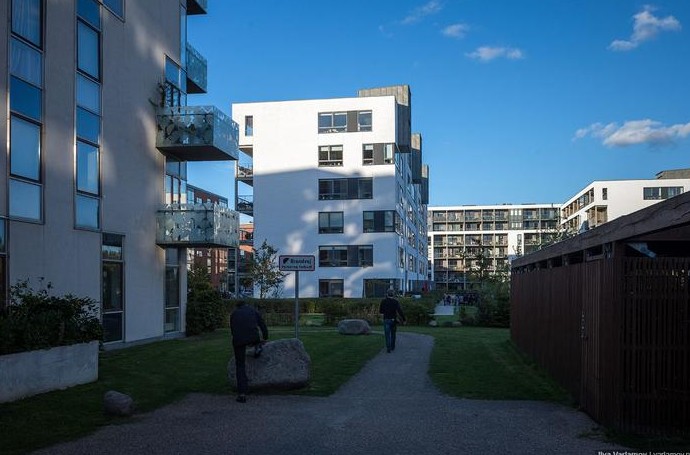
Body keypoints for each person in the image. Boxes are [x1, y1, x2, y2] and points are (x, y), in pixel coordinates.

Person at [230, 300, 268, 403]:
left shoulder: (233, 314)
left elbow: (232, 329)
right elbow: (262, 325)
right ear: (246, 304)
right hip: (253, 337)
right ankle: (257, 348)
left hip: (238, 340)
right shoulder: (253, 311)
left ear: (237, 306)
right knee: (256, 341)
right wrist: (265, 337)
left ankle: (242, 394)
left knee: (240, 365)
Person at [379, 289, 406, 353]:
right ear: (393, 294)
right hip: (393, 320)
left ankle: (388, 348)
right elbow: (400, 311)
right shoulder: (395, 302)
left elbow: (381, 311)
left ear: (387, 294)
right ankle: (392, 346)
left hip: (386, 319)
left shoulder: (383, 301)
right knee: (393, 334)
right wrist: (404, 319)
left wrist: (385, 311)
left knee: (387, 335)